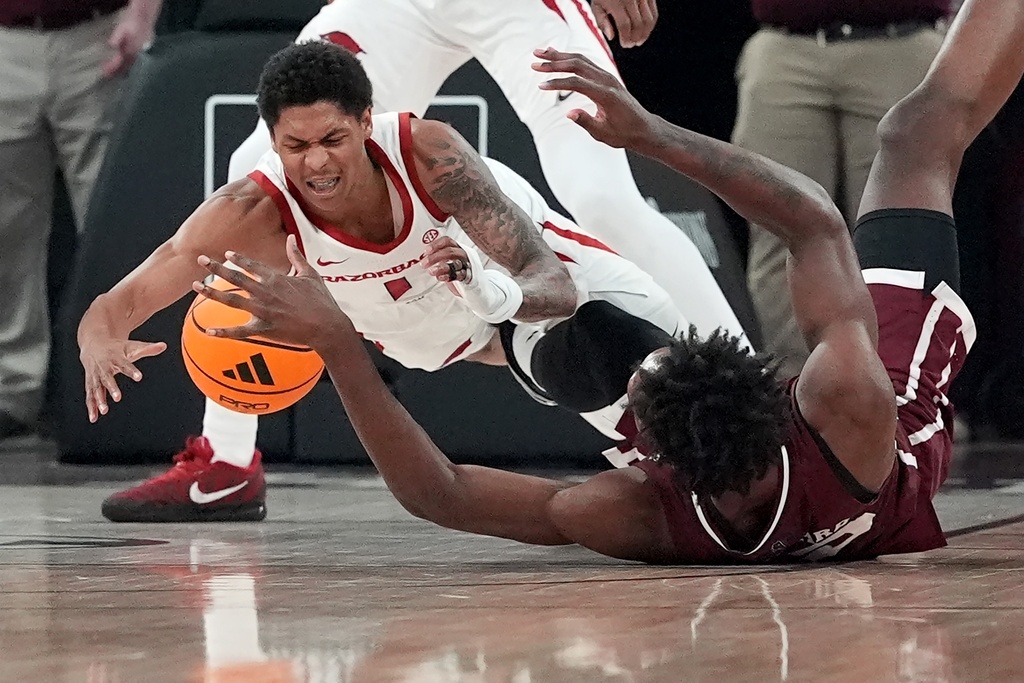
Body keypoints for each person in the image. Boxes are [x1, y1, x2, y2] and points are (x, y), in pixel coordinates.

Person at [194, 0, 1024, 563]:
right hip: (890, 453)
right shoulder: (847, 399)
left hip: (789, 481)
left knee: (576, 342)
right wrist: (655, 135)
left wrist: (342, 343)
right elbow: (813, 220)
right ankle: (512, 332)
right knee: (918, 134)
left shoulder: (637, 516)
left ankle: (513, 334)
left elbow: (440, 494)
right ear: (781, 392)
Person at [80, 41, 734, 522]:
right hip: (437, 332)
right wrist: (100, 341)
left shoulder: (431, 156)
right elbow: (120, 302)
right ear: (275, 142)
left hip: (536, 281)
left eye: (333, 139)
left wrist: (491, 290)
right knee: (564, 379)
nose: (316, 163)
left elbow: (551, 286)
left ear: (367, 121)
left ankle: (722, 453)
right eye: (295, 146)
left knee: (620, 353)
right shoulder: (251, 214)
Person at [735, 0, 952, 378]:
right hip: (785, 45)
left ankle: (901, 396)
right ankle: (793, 398)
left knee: (899, 236)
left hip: (900, 41)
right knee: (776, 225)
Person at [0, 0, 163, 439]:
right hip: (5, 41)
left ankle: (131, 381)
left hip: (98, 35)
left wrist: (144, 13)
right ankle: (12, 390)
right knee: (6, 230)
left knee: (112, 220)